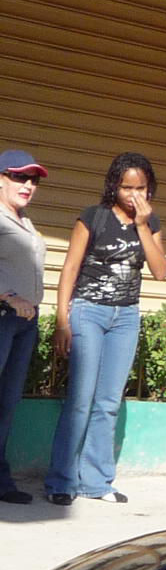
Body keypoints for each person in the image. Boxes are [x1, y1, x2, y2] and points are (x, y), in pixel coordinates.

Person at [44, 151, 166, 506]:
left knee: (108, 402)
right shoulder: (92, 217)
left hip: (126, 317)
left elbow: (160, 271)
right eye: (126, 187)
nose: (133, 195)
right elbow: (69, 269)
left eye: (140, 188)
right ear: (114, 186)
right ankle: (61, 481)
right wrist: (62, 321)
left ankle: (96, 482)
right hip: (89, 312)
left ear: (149, 188)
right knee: (80, 400)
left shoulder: (152, 223)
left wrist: (143, 225)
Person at [0, 149, 48, 505]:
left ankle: (1, 480)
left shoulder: (25, 222)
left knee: (8, 403)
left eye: (33, 179)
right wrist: (7, 296)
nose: (28, 185)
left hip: (24, 325)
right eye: (19, 176)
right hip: (3, 317)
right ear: (1, 178)